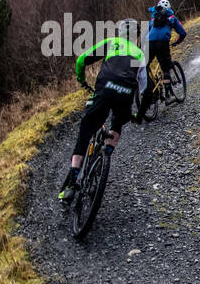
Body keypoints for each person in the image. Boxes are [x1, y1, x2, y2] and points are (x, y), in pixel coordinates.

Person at [58, 19, 147, 204]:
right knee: (118, 122)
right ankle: (106, 153)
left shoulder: (112, 43)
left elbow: (82, 60)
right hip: (124, 96)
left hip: (103, 91)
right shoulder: (139, 54)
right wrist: (138, 114)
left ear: (120, 33)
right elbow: (144, 89)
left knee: (85, 129)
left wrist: (82, 81)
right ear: (136, 36)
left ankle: (71, 183)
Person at [138, 0, 186, 119]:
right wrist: (177, 41)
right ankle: (169, 96)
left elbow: (145, 34)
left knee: (145, 66)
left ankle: (147, 90)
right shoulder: (171, 17)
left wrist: (141, 46)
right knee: (166, 68)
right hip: (162, 42)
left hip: (150, 43)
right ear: (169, 8)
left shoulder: (153, 18)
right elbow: (182, 33)